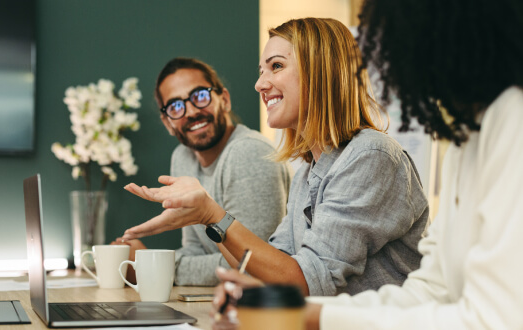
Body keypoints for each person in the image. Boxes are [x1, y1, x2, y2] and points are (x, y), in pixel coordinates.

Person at [214, 1, 523, 329]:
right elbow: (431, 290)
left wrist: (213, 216)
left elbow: (495, 319)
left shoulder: (510, 120)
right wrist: (297, 312)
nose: (386, 57)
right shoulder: (468, 137)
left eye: (276, 67)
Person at [121, 18, 429, 296]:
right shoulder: (308, 172)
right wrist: (206, 219)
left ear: (318, 71)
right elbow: (269, 267)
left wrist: (211, 214)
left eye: (277, 66)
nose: (259, 84)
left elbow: (306, 281)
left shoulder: (370, 155)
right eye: (261, 71)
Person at [115, 58, 291, 286]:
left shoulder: (249, 152)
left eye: (199, 96)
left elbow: (252, 267)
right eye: (176, 106)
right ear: (168, 122)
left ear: (224, 100)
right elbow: (195, 250)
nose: (190, 112)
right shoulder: (182, 157)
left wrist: (152, 266)